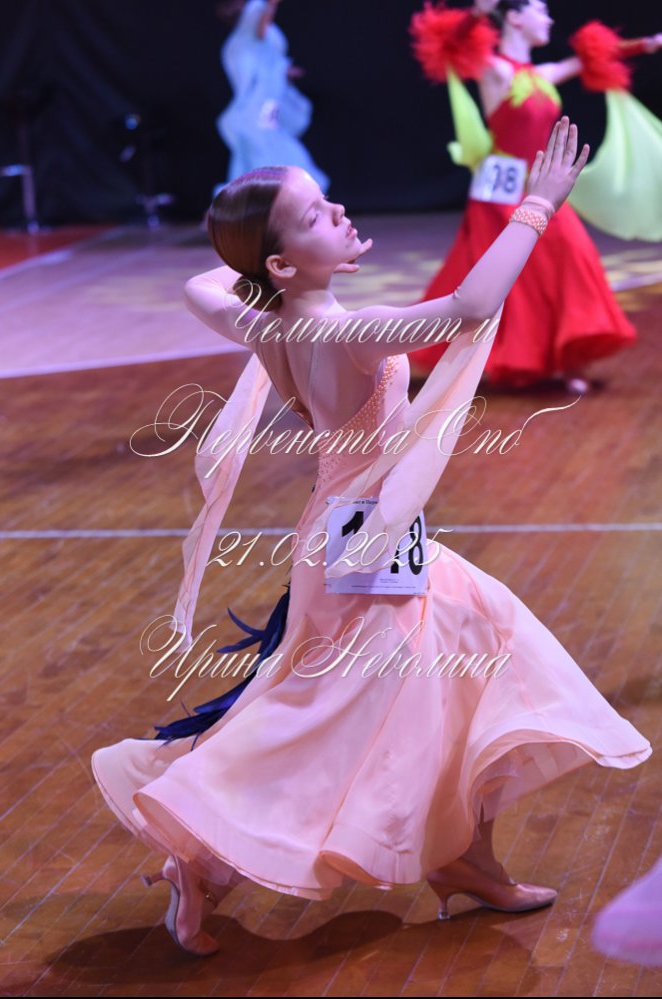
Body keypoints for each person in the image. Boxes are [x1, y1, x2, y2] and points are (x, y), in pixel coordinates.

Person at [91, 118, 652, 957]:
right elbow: (469, 307)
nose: (339, 211)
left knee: (458, 665)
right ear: (284, 263)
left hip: (349, 534)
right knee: (334, 717)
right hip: (364, 547)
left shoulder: (271, 324)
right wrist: (536, 206)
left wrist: (271, 260)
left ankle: (465, 860)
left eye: (325, 202)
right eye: (316, 215)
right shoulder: (337, 333)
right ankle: (202, 853)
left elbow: (201, 286)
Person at [408, 0, 662, 393]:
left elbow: (591, 57)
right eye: (540, 11)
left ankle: (567, 358)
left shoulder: (543, 74)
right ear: (514, 17)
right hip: (500, 192)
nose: (549, 19)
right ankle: (500, 357)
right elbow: (450, 46)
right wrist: (478, 14)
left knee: (571, 256)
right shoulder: (494, 69)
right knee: (503, 272)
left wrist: (645, 44)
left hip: (540, 185)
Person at [214, 0, 329, 197]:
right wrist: (269, 5)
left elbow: (267, 58)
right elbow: (258, 29)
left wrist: (284, 72)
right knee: (264, 146)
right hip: (259, 107)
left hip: (267, 104)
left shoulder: (248, 40)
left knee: (265, 145)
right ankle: (271, 196)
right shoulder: (246, 35)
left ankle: (277, 197)